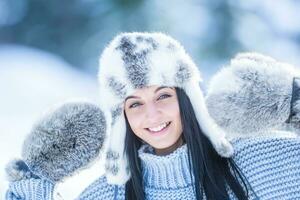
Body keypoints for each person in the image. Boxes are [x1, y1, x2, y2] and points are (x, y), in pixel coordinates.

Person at [6, 32, 300, 200]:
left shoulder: (259, 162)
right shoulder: (109, 195)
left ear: (188, 98)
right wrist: (34, 178)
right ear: (121, 117)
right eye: (134, 104)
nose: (152, 114)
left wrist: (293, 105)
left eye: (163, 96)